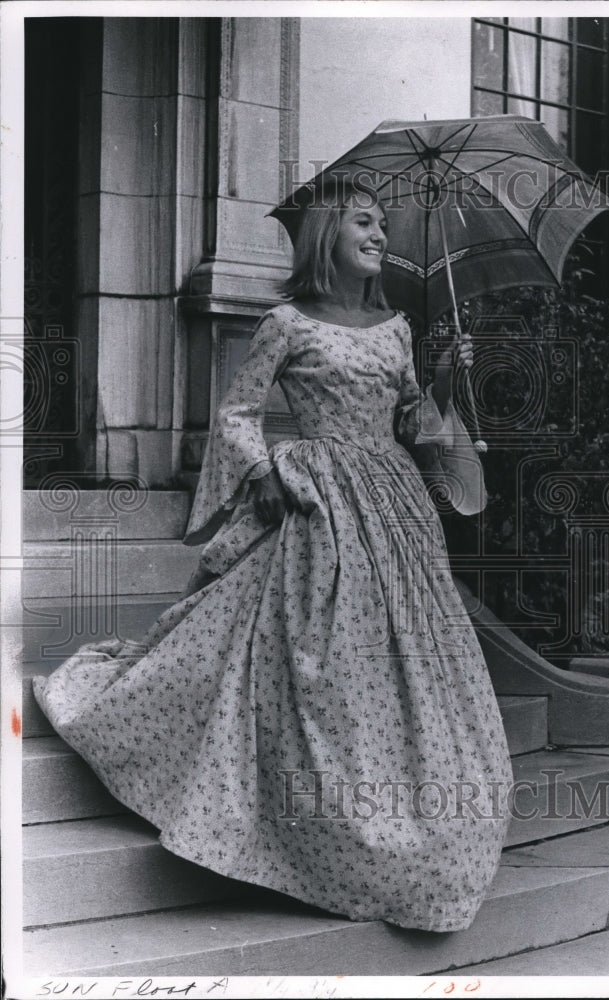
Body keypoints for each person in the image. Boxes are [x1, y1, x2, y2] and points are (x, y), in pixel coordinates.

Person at [34, 180, 513, 934]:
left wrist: (448, 378)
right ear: (327, 235)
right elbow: (236, 412)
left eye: (383, 225)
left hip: (394, 507)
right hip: (316, 501)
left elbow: (419, 426)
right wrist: (267, 474)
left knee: (399, 661)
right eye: (365, 222)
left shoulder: (397, 326)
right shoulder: (286, 322)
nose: (380, 235)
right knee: (312, 658)